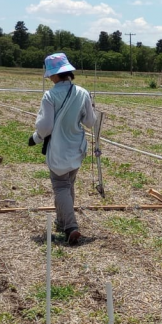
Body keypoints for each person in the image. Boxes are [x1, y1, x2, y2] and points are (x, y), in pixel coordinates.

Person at [28, 53, 96, 245]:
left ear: (55, 75)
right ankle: (62, 219)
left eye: (50, 74)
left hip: (58, 149)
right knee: (68, 185)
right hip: (76, 148)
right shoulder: (83, 93)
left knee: (61, 186)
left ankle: (71, 227)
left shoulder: (49, 96)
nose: (49, 78)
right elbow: (90, 122)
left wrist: (36, 138)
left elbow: (45, 126)